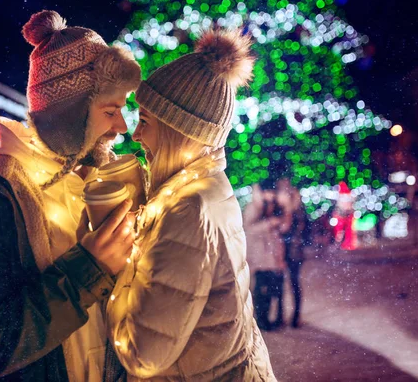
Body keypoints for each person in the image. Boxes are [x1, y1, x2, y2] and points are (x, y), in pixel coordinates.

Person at [0, 10, 141, 382]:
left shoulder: (98, 183)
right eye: (110, 110)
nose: (121, 127)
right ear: (69, 115)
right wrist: (88, 270)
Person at [105, 29, 275, 381]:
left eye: (146, 123)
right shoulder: (205, 187)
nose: (135, 135)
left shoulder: (188, 210)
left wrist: (111, 271)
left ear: (177, 131)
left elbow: (142, 355)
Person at [244, 183, 287, 331]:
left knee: (269, 291)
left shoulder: (272, 206)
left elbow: (279, 233)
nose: (272, 195)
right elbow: (248, 229)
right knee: (260, 291)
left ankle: (266, 319)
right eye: (269, 191)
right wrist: (268, 224)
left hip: (271, 259)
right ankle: (261, 320)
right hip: (259, 258)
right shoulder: (254, 208)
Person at [276, 179, 307, 328]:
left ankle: (293, 317)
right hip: (283, 251)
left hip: (292, 251)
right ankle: (282, 316)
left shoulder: (295, 210)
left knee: (292, 283)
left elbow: (291, 230)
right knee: (281, 285)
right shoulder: (282, 209)